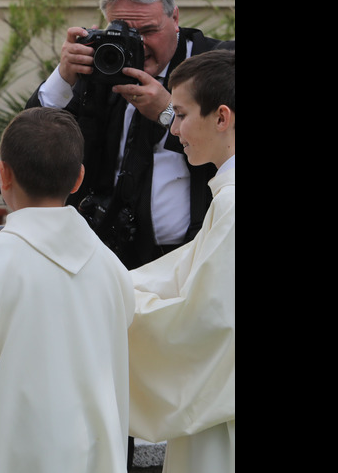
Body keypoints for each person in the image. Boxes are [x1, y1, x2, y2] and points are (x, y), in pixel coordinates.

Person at [0, 107, 134, 473]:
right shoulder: (112, 268)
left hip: (10, 454)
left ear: (3, 174)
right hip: (94, 455)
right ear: (78, 179)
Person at [25, 0, 233, 270]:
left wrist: (166, 112)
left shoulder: (220, 64)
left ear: (174, 17)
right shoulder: (99, 65)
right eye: (123, 31)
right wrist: (63, 77)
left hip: (196, 260)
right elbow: (32, 144)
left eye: (149, 31)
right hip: (105, 260)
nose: (140, 45)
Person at [127, 49, 235, 473]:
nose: (174, 132)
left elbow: (204, 320)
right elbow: (177, 274)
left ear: (222, 117)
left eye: (182, 115)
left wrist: (106, 304)